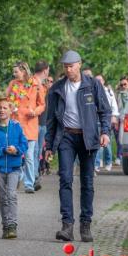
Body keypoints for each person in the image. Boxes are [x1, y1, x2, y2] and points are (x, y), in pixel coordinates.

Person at [45, 50, 111, 242]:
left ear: (79, 64)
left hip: (88, 139)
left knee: (87, 182)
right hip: (66, 136)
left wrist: (105, 132)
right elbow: (50, 120)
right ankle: (67, 225)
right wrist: (49, 145)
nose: (68, 69)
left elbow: (104, 111)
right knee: (65, 178)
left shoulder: (93, 85)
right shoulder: (57, 88)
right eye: (65, 66)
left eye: (71, 66)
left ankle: (85, 224)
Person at [0, 98, 28, 239]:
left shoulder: (16, 127)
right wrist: (3, 150)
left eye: (5, 108)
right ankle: (5, 225)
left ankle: (12, 225)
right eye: (0, 108)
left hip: (14, 167)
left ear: (10, 110)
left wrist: (16, 150)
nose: (2, 110)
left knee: (12, 195)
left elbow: (24, 145)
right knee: (3, 198)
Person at [6, 61, 45, 193]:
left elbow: (42, 104)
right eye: (14, 72)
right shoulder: (13, 84)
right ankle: (18, 177)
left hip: (30, 124)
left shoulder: (35, 84)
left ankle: (29, 184)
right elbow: (7, 100)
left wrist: (35, 112)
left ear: (23, 71)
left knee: (28, 156)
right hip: (16, 123)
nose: (14, 74)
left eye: (16, 71)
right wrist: (11, 108)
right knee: (16, 154)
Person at [94, 74, 119, 172]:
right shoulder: (92, 90)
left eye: (100, 80)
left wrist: (114, 116)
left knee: (106, 143)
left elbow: (113, 105)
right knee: (97, 144)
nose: (99, 82)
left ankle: (108, 162)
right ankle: (97, 163)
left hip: (106, 120)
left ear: (104, 81)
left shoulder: (108, 91)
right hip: (95, 120)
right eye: (97, 80)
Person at [32, 60, 50, 190]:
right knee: (34, 151)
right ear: (45, 70)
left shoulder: (34, 83)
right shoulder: (35, 84)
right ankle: (33, 178)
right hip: (36, 122)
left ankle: (33, 176)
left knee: (34, 151)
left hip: (39, 122)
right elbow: (41, 105)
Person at [114, 75, 128, 165]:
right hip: (122, 118)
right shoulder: (119, 94)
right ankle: (120, 156)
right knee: (121, 139)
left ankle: (126, 156)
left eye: (125, 84)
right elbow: (117, 108)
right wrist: (117, 120)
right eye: (121, 85)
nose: (123, 86)